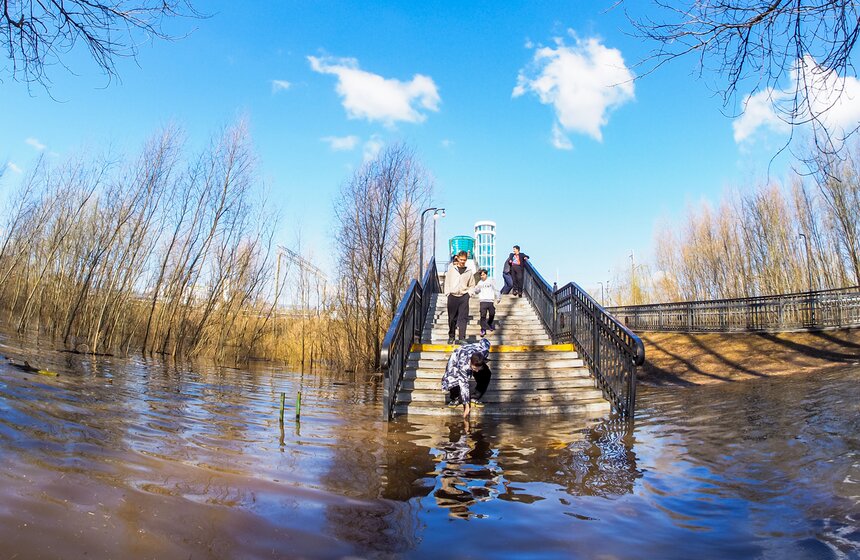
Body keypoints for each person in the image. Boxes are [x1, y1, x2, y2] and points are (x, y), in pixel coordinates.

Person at [441, 338, 492, 417]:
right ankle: (455, 397)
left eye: (478, 368)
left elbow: (484, 341)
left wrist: (479, 368)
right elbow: (463, 384)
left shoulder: (483, 352)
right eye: (475, 369)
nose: (477, 371)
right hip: (457, 358)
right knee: (453, 379)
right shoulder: (463, 363)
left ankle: (475, 397)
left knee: (486, 373)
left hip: (474, 355)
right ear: (471, 364)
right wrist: (466, 406)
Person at [444, 250, 476, 344]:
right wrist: (447, 293)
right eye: (461, 259)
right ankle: (451, 336)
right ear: (457, 258)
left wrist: (469, 294)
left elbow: (472, 285)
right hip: (452, 296)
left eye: (464, 260)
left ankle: (462, 338)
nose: (462, 261)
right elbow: (447, 281)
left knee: (463, 318)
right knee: (452, 318)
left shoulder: (469, 272)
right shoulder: (451, 269)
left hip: (463, 297)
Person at [473, 269, 500, 337]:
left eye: (483, 275)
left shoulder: (491, 281)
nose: (482, 276)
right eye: (481, 275)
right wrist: (476, 289)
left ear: (486, 274)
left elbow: (496, 289)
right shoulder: (479, 282)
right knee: (483, 315)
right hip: (483, 301)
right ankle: (483, 329)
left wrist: (498, 297)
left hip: (490, 300)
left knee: (492, 313)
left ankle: (489, 323)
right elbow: (476, 291)